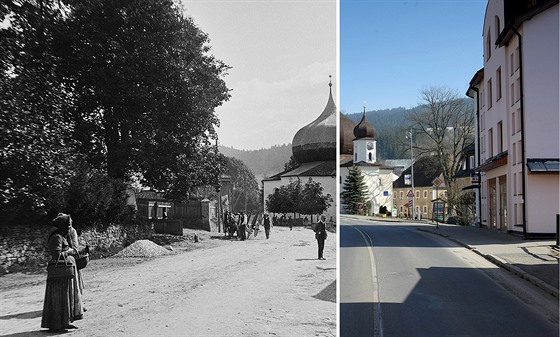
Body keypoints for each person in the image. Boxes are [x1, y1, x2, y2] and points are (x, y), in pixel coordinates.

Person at [41, 213, 84, 332]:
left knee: (66, 297)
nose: (70, 228)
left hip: (64, 272)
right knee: (59, 298)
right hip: (59, 272)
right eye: (68, 225)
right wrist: (70, 251)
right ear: (62, 225)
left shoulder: (62, 235)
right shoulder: (56, 237)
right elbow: (57, 255)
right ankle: (56, 324)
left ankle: (65, 321)